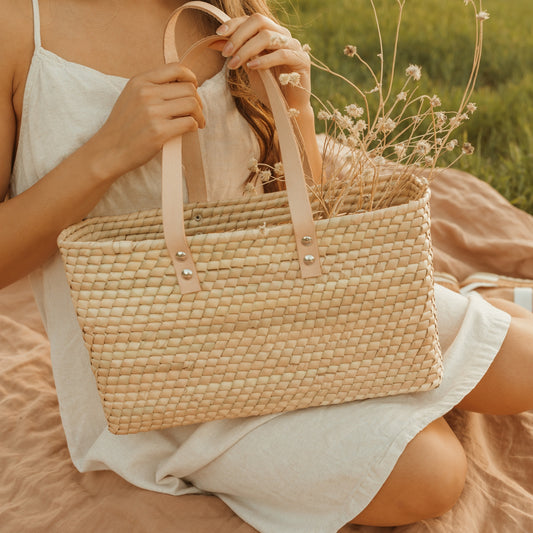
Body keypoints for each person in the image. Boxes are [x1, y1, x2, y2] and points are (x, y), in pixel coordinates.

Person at [1, 0, 532, 531]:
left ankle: (425, 352)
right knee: (430, 474)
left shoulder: (220, 8)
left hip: (282, 301)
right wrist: (107, 152)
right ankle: (393, 390)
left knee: (524, 367)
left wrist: (292, 101)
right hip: (161, 381)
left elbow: (298, 211)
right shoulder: (17, 25)